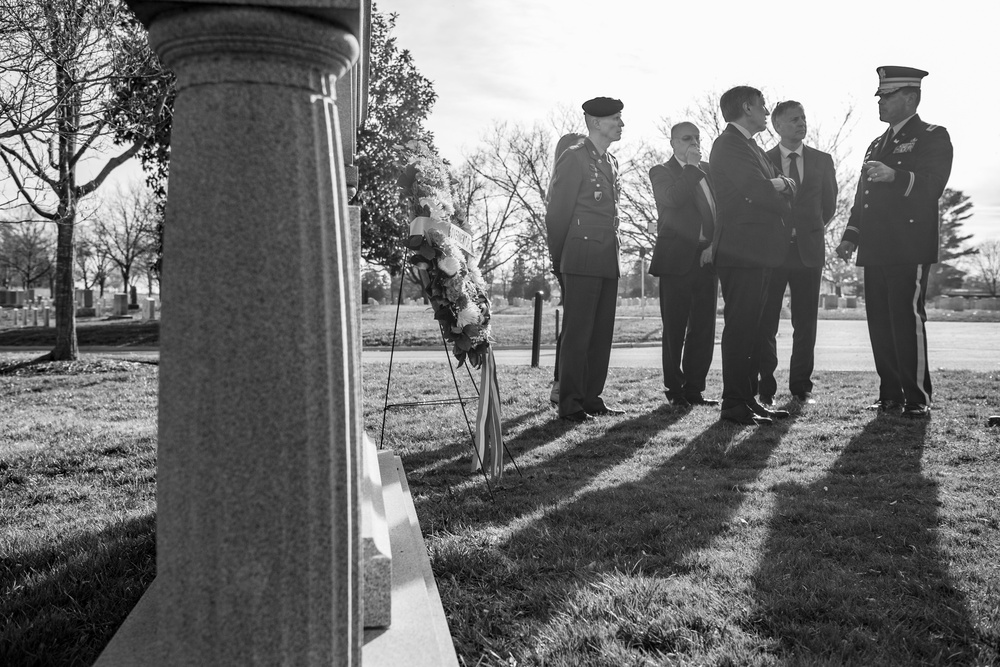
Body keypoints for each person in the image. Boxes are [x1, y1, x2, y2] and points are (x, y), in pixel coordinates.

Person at [836, 66, 953, 419]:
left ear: (911, 97)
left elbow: (933, 185)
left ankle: (917, 398)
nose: (880, 102)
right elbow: (863, 197)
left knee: (906, 320)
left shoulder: (933, 136)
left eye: (886, 96)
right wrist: (850, 236)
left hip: (908, 245)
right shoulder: (877, 142)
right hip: (874, 246)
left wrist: (896, 176)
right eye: (880, 97)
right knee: (881, 323)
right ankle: (890, 394)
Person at [709, 86, 797, 426]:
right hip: (739, 251)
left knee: (755, 329)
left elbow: (771, 186)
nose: (765, 112)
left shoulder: (750, 146)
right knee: (741, 328)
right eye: (761, 106)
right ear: (746, 107)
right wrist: (782, 186)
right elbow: (757, 190)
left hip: (757, 251)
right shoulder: (729, 144)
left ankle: (747, 400)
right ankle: (734, 403)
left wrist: (779, 185)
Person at [545, 97, 626, 422]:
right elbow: (557, 214)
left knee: (601, 332)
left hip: (608, 256)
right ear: (596, 122)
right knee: (578, 333)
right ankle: (571, 403)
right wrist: (559, 260)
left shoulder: (611, 161)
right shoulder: (575, 157)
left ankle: (592, 397)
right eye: (616, 119)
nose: (621, 124)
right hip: (580, 256)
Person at [756, 101, 838, 406]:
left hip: (809, 252)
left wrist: (809, 231)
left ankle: (801, 387)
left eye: (803, 118)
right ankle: (765, 389)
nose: (801, 123)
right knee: (767, 323)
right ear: (777, 126)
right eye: (793, 119)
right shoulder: (762, 160)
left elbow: (828, 205)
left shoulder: (822, 160)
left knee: (806, 323)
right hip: (772, 253)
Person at [648, 122, 719, 408]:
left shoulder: (710, 170)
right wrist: (691, 167)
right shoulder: (661, 172)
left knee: (703, 328)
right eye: (687, 138)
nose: (694, 142)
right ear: (673, 143)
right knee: (675, 328)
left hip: (708, 257)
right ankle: (674, 390)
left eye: (697, 138)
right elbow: (673, 199)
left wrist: (715, 244)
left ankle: (694, 389)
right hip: (676, 259)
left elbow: (721, 208)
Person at [547, 132, 587, 408]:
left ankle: (572, 384)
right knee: (574, 324)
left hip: (581, 258)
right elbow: (558, 223)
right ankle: (561, 383)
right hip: (569, 260)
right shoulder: (565, 179)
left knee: (578, 323)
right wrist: (559, 260)